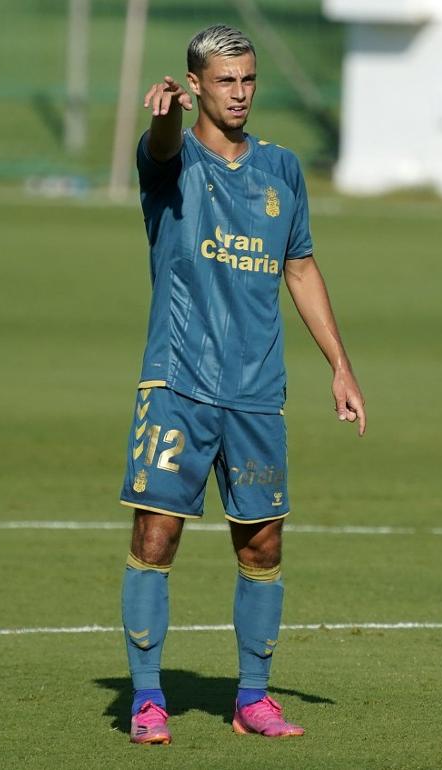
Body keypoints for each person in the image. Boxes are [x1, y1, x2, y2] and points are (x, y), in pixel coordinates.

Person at [117, 24, 366, 745]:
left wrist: (340, 367)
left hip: (257, 392)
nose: (240, 93)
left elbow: (301, 267)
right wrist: (161, 121)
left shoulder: (282, 170)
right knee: (156, 534)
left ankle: (253, 699)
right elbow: (161, 145)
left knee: (262, 547)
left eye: (249, 79)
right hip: (178, 383)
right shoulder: (171, 160)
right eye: (225, 81)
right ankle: (146, 700)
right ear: (195, 84)